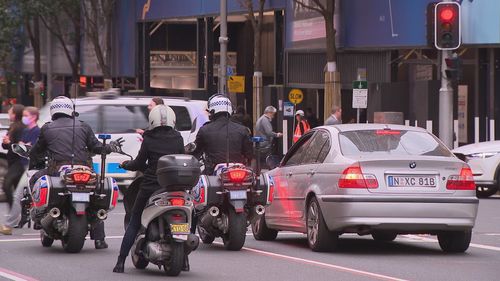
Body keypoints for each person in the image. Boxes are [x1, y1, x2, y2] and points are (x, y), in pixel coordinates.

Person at [29, 96, 123, 249]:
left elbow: (37, 151)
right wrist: (110, 147)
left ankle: (40, 216)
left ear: (54, 109)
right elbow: (97, 147)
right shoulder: (83, 126)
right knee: (95, 198)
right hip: (85, 170)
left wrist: (32, 156)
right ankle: (99, 240)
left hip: (57, 170)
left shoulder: (47, 128)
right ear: (70, 110)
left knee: (34, 179)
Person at [113, 104, 184, 273]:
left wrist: (125, 164)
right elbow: (181, 158)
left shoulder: (149, 139)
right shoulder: (178, 138)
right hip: (174, 186)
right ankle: (185, 261)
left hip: (151, 186)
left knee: (135, 220)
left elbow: (138, 163)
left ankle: (120, 262)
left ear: (152, 120)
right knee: (189, 215)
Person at [0, 107, 41, 235]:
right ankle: (13, 221)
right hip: (23, 165)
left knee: (19, 194)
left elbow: (34, 148)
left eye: (26, 115)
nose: (24, 118)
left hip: (31, 167)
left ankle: (10, 224)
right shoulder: (26, 130)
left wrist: (23, 145)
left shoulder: (37, 131)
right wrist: (15, 144)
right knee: (20, 194)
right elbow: (18, 146)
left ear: (33, 117)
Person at [192, 95, 253, 175]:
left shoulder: (204, 130)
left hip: (212, 173)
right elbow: (249, 153)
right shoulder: (243, 129)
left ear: (212, 111)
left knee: (199, 184)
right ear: (230, 110)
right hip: (238, 172)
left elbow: (196, 152)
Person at [1, 104, 25, 209]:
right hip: (11, 161)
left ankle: (13, 210)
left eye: (10, 112)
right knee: (16, 188)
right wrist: (5, 142)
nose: (8, 113)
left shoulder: (21, 127)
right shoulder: (12, 126)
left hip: (18, 162)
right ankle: (18, 214)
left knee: (7, 185)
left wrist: (9, 143)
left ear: (15, 114)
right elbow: (6, 146)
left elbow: (20, 147)